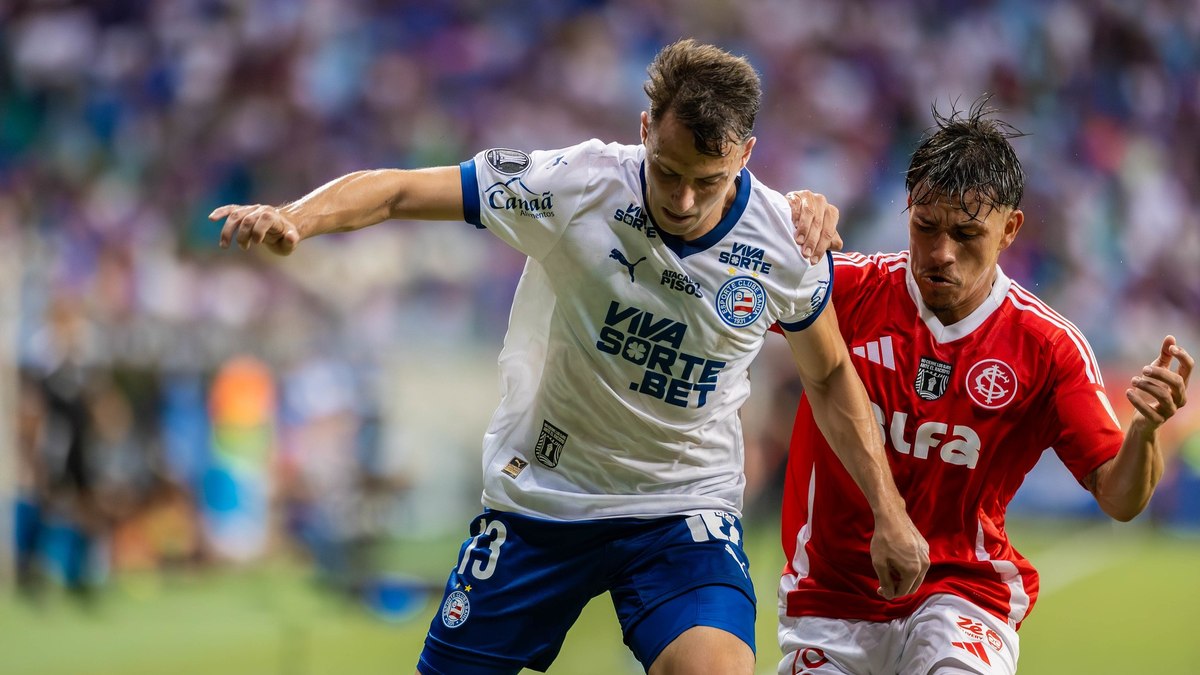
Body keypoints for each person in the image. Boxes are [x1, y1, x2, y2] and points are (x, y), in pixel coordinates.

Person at [211, 38, 928, 675]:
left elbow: (830, 372)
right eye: (666, 169)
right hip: (544, 497)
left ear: (744, 155)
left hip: (680, 506)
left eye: (706, 182)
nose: (680, 198)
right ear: (645, 129)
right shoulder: (576, 183)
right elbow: (402, 189)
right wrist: (296, 219)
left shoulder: (784, 244)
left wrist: (889, 513)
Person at [775, 100, 1193, 675]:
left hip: (964, 595)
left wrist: (1144, 430)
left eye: (968, 234)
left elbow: (1121, 500)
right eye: (926, 226)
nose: (941, 253)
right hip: (832, 598)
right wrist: (785, 216)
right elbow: (722, 265)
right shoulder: (841, 290)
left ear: (1010, 230)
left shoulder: (1048, 348)